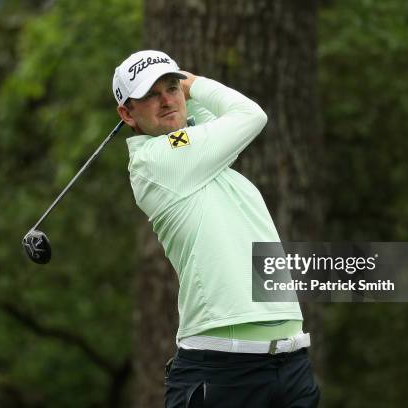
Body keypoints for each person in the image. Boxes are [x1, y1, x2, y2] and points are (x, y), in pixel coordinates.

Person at [112, 50, 320, 407]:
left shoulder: (202, 160)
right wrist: (195, 85)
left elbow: (210, 124)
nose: (166, 100)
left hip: (291, 366)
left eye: (172, 88)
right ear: (127, 114)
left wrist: (187, 94)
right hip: (224, 371)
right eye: (150, 94)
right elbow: (249, 115)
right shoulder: (155, 162)